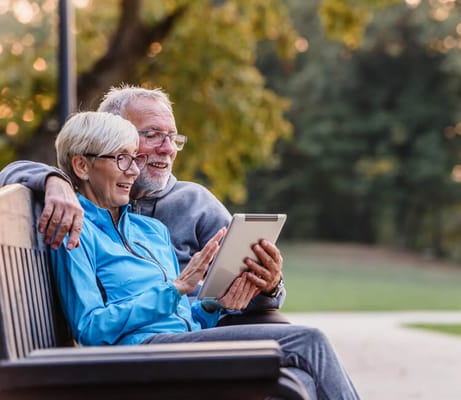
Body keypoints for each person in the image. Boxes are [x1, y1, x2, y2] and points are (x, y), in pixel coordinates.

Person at [50, 110, 361, 400]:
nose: (133, 170)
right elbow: (91, 329)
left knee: (298, 380)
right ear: (81, 165)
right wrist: (175, 289)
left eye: (134, 158)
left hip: (180, 351)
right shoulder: (76, 231)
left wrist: (214, 306)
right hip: (138, 360)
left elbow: (181, 317)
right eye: (121, 159)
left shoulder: (151, 232)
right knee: (308, 341)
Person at [0, 85, 288, 325]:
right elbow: (10, 175)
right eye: (151, 135)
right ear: (113, 135)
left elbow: (245, 296)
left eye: (173, 137)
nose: (168, 148)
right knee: (302, 349)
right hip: (155, 351)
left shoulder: (190, 205)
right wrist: (54, 179)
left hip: (204, 329)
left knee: (296, 351)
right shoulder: (80, 214)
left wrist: (269, 286)